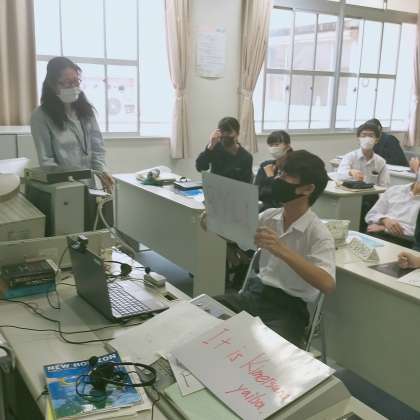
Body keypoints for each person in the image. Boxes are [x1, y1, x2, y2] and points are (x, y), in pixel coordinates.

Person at [215, 150, 336, 348]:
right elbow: (239, 237)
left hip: (289, 309)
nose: (278, 179)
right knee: (202, 311)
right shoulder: (269, 216)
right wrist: (212, 223)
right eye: (279, 173)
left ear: (307, 189)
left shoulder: (318, 233)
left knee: (269, 353)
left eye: (286, 176)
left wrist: (281, 250)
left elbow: (327, 284)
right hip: (254, 295)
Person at [30, 57, 113, 192]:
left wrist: (102, 172)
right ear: (52, 84)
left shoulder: (86, 111)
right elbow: (47, 161)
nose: (74, 87)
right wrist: (70, 183)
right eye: (68, 83)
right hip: (62, 187)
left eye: (76, 81)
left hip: (89, 185)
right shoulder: (40, 116)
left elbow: (97, 146)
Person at [195, 117, 253, 183]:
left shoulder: (246, 157)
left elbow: (246, 184)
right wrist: (210, 145)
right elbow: (200, 167)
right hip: (214, 187)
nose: (225, 135)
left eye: (229, 132)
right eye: (222, 132)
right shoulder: (214, 147)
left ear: (237, 134)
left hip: (234, 188)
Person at [365, 182, 420, 247]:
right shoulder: (394, 190)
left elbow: (417, 233)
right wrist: (384, 220)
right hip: (378, 233)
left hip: (407, 241)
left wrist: (385, 228)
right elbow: (370, 215)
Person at [336, 122, 390, 187]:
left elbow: (384, 185)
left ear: (377, 140)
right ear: (358, 138)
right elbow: (339, 175)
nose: (367, 139)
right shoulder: (350, 157)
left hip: (372, 192)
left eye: (371, 136)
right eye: (364, 135)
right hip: (352, 192)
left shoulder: (381, 162)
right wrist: (350, 172)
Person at [254, 130, 293, 211]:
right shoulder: (266, 165)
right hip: (264, 208)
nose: (273, 148)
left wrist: (270, 177)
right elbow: (256, 192)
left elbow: (283, 196)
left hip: (284, 210)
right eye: (271, 145)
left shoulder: (293, 168)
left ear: (287, 146)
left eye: (277, 144)